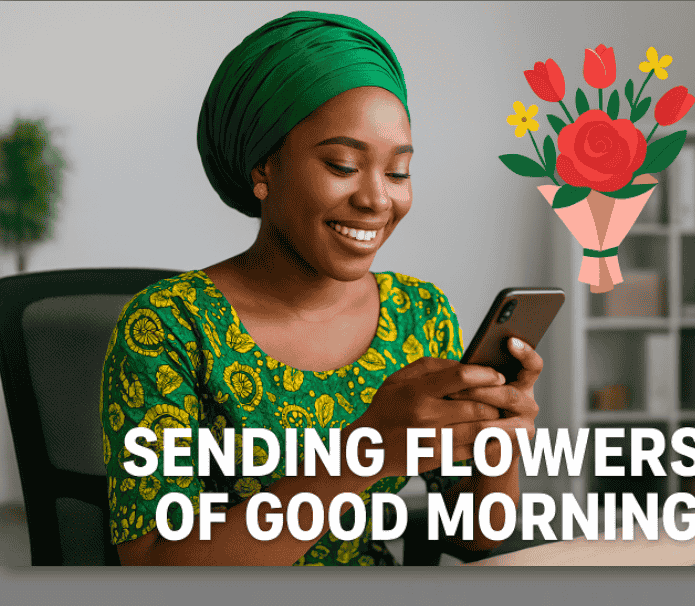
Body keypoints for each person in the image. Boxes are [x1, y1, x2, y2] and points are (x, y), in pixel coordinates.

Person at [100, 10, 543, 566]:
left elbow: (472, 535)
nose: (378, 200)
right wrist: (366, 452)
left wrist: (497, 448)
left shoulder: (420, 315)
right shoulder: (169, 326)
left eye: (399, 172)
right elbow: (153, 571)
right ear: (264, 169)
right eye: (342, 164)